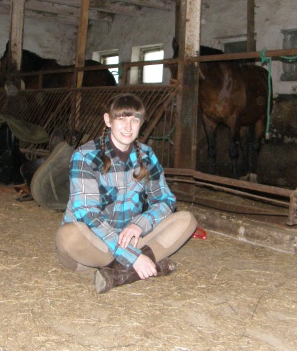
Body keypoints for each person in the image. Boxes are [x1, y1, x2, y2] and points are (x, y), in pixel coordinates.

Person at [55, 92, 198, 293]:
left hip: (130, 239)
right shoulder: (85, 156)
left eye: (134, 120)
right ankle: (144, 264)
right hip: (94, 246)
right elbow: (86, 213)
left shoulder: (146, 156)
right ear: (108, 120)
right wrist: (133, 257)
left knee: (187, 220)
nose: (128, 127)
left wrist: (140, 224)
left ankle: (118, 274)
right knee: (68, 235)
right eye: (121, 119)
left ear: (141, 123)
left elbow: (165, 200)